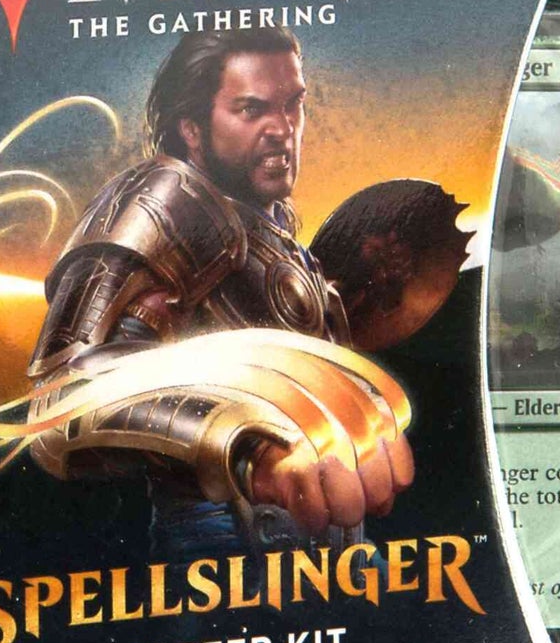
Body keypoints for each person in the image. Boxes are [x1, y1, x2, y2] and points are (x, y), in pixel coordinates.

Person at [26, 27, 414, 554]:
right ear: (192, 128)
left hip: (328, 540)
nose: (283, 129)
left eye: (293, 105)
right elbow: (63, 394)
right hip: (223, 542)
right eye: (252, 110)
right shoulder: (167, 201)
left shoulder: (277, 236)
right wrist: (252, 447)